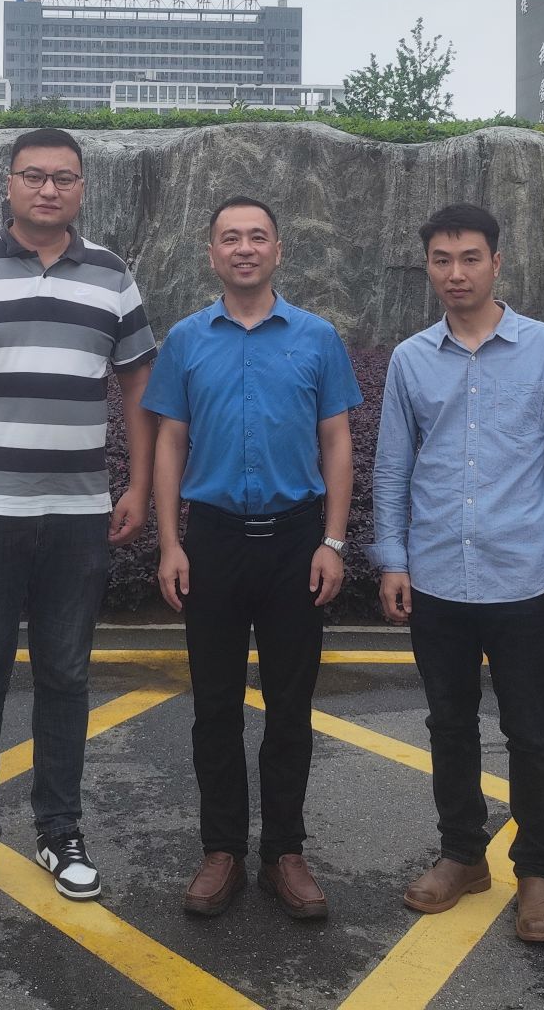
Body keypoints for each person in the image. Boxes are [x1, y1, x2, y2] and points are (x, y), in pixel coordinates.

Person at [0, 127, 157, 920]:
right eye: (34, 176)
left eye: (64, 178)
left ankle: (60, 831)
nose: (49, 190)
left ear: (82, 188)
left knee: (67, 678)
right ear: (8, 183)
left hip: (79, 514)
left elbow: (138, 388)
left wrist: (139, 485)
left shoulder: (112, 275)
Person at [369, 202, 544, 945]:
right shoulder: (411, 359)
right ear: (428, 268)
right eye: (442, 260)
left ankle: (537, 873)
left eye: (470, 258)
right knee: (448, 725)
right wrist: (391, 558)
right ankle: (464, 855)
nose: (456, 273)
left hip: (521, 576)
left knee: (531, 731)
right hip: (436, 574)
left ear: (496, 263)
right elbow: (391, 469)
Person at [146, 197, 360, 921]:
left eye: (257, 237)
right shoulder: (185, 340)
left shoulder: (316, 337)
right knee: (214, 706)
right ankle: (222, 852)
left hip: (297, 541)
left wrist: (334, 541)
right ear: (211, 253)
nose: (244, 248)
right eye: (230, 238)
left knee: (290, 707)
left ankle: (284, 854)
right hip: (212, 541)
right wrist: (170, 542)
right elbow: (170, 441)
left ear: (278, 250)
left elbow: (337, 441)